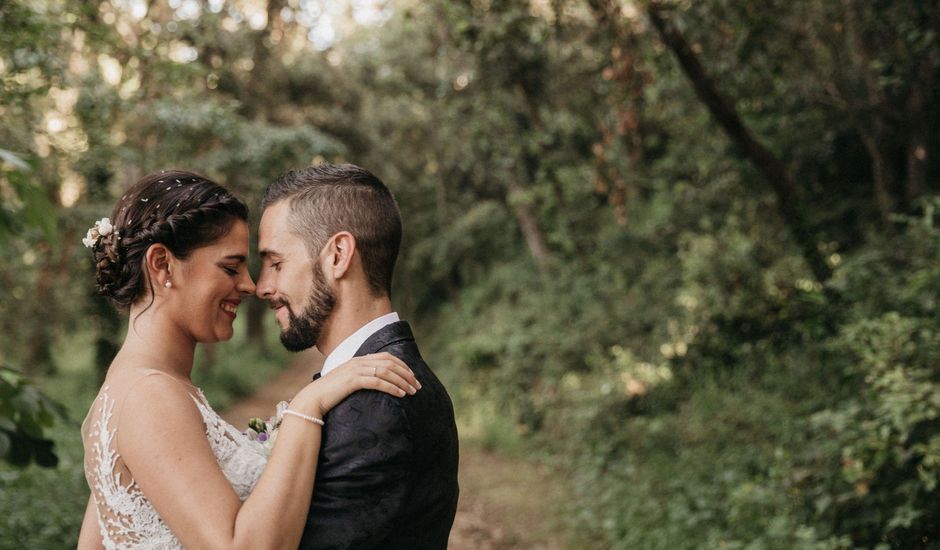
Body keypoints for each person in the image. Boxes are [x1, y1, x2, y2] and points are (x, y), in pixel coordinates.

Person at [77, 170, 421, 550]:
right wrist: (307, 406)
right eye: (230, 267)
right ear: (162, 265)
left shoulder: (130, 387)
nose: (250, 285)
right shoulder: (149, 394)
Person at [256, 163, 459, 549]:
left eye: (276, 264)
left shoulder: (377, 403)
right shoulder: (376, 380)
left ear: (337, 255)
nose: (262, 287)